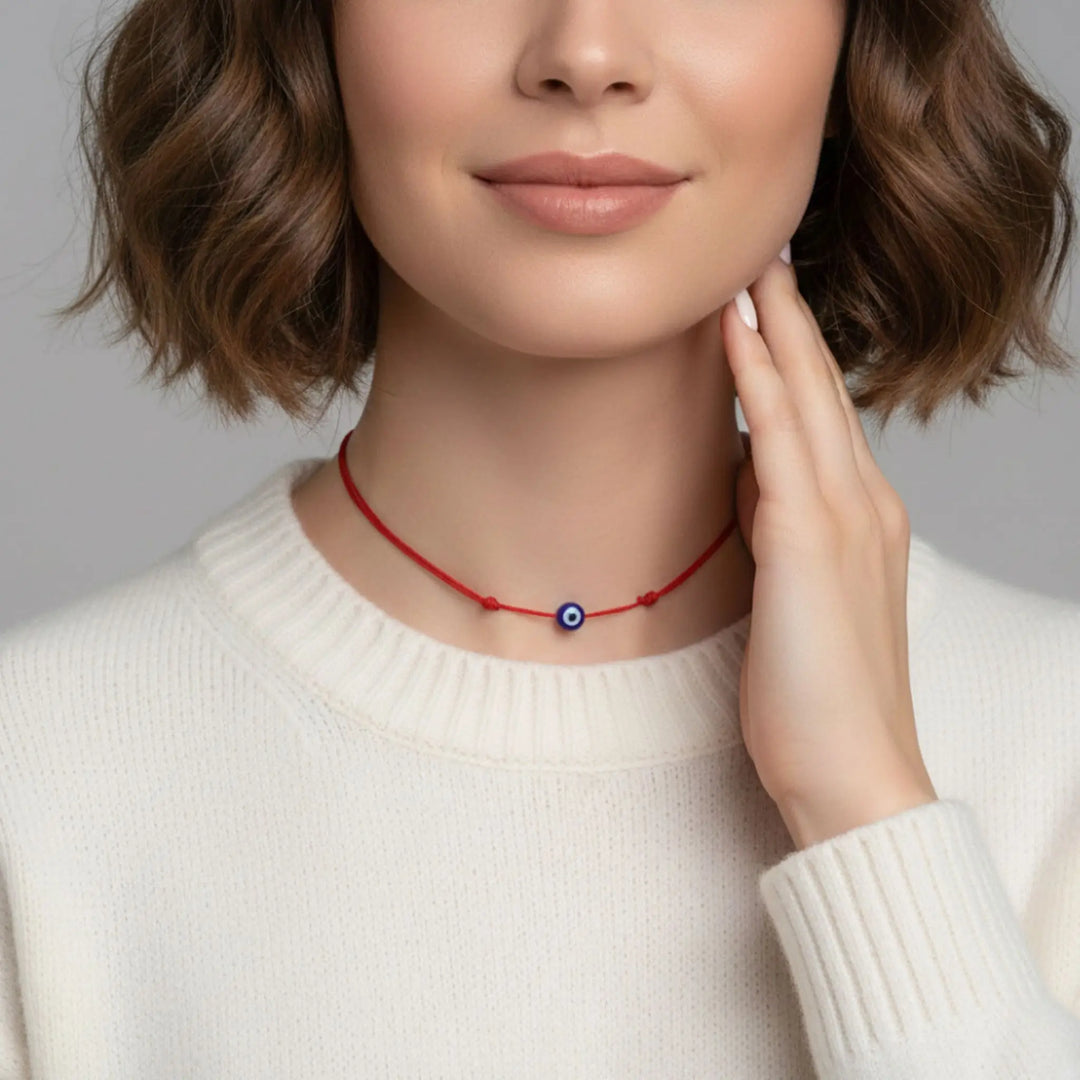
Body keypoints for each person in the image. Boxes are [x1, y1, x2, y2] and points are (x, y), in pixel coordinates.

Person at [1, 0, 1079, 1075]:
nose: (587, 56)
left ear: (864, 38)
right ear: (305, 31)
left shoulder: (1056, 749)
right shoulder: (37, 781)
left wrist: (871, 814)